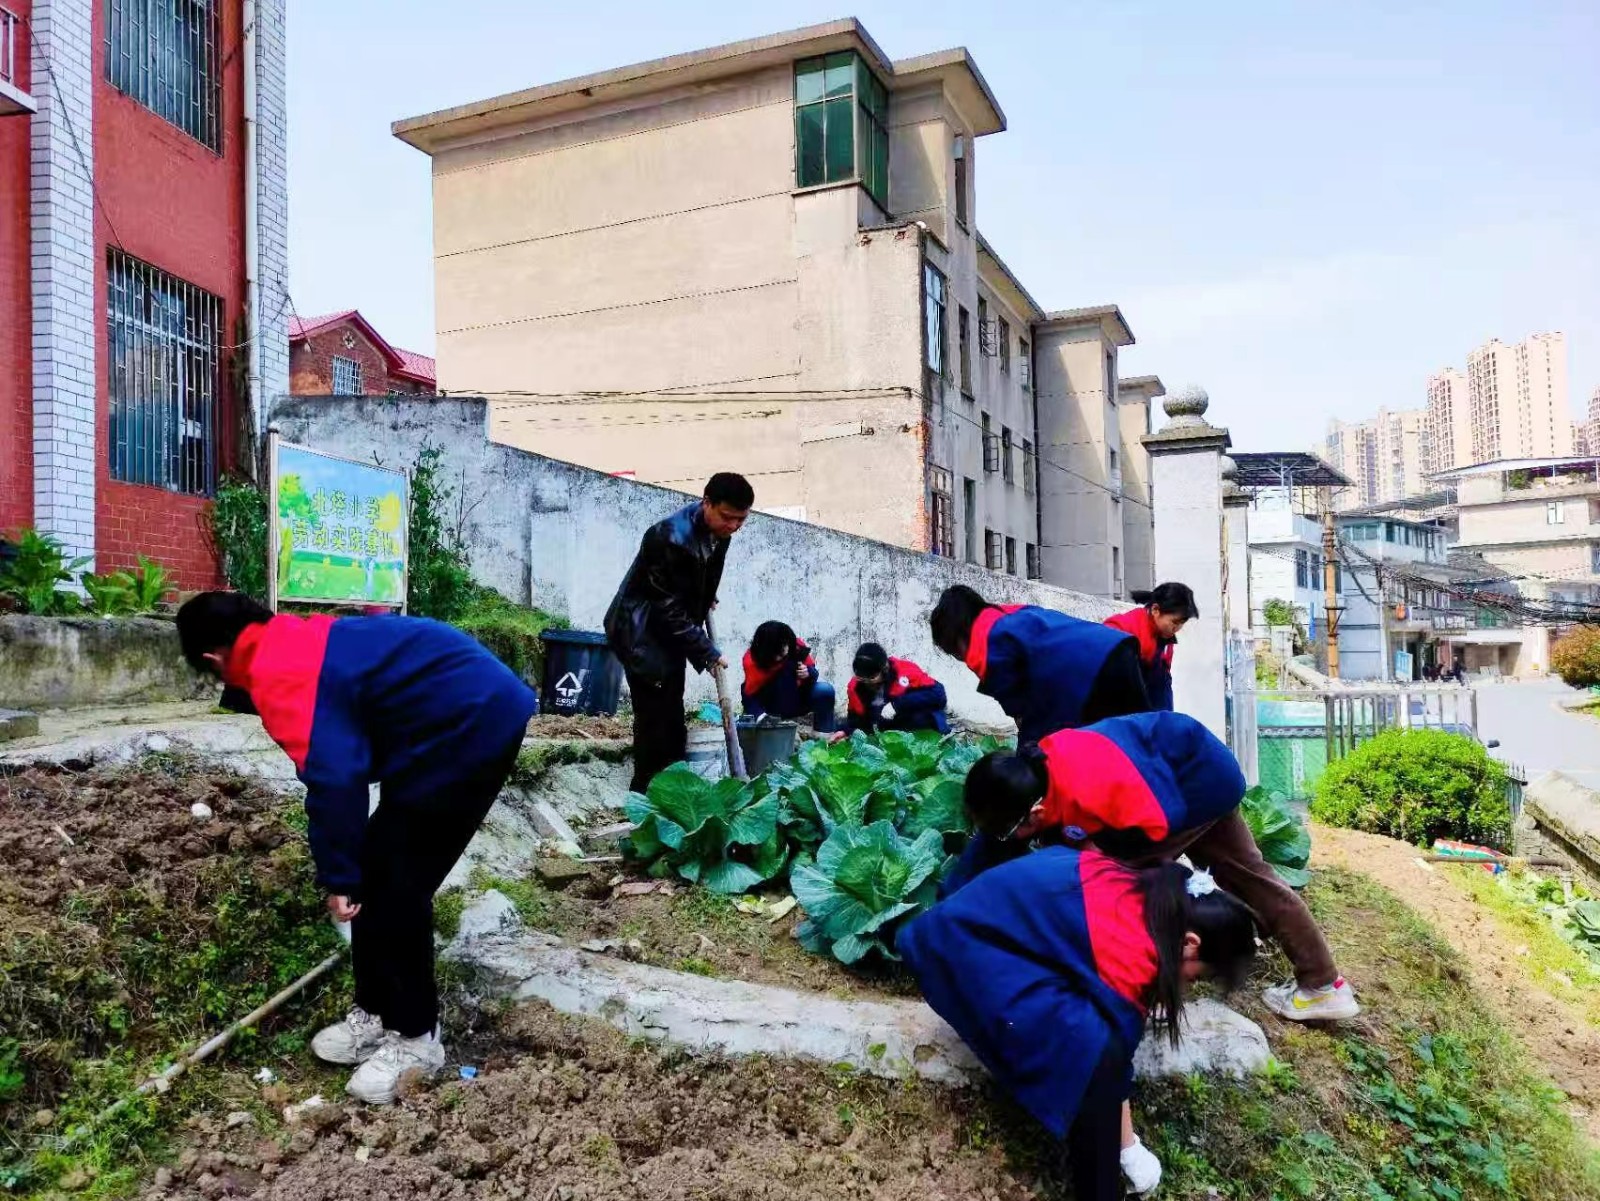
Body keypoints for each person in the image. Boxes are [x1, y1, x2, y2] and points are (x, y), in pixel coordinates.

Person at [174, 592, 537, 1104]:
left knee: (398, 883)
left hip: (472, 722)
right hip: (435, 723)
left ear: (214, 658)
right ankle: (375, 1011)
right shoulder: (283, 641)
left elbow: (335, 781)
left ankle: (416, 1038)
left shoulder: (280, 673)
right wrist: (348, 869)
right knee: (376, 869)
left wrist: (338, 875)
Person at [959, 711, 1360, 1026]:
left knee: (1129, 886)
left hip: (1189, 787)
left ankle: (1150, 991)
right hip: (1183, 764)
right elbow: (1018, 839)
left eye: (1013, 832)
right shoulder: (1032, 773)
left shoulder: (1094, 783)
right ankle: (1322, 980)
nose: (1011, 839)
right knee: (1247, 874)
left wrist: (1125, 871)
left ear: (1036, 812)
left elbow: (1155, 836)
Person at [900, 848, 1258, 1201]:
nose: (1188, 987)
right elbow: (1112, 1063)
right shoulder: (1131, 954)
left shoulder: (1146, 890)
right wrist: (1128, 1149)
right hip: (957, 949)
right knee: (1093, 1053)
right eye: (1197, 978)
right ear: (1190, 944)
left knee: (1094, 1041)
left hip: (981, 927)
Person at [605, 473, 754, 793]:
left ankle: (669, 795)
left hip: (669, 635)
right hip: (642, 633)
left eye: (741, 520)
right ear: (707, 503)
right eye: (727, 517)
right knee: (656, 724)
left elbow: (706, 573)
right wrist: (707, 652)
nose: (733, 526)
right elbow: (665, 608)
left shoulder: (720, 531)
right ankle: (645, 799)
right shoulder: (670, 537)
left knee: (672, 718)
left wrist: (704, 597)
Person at [929, 585, 1149, 743]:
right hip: (1119, 649)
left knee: (1087, 750)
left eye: (954, 652)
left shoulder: (988, 645)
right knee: (1141, 742)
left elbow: (1026, 719)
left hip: (1094, 675)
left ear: (957, 636)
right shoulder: (1010, 615)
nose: (961, 659)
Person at [1104, 582, 1198, 711]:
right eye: (1174, 622)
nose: (1177, 629)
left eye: (1182, 623)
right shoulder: (1122, 628)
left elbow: (1163, 687)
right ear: (1155, 610)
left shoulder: (1166, 640)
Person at [740, 620, 837, 732]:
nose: (783, 655)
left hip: (796, 699)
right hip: (771, 706)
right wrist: (760, 715)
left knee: (825, 690)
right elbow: (749, 693)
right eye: (778, 652)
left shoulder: (796, 648)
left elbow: (813, 675)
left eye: (784, 648)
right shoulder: (752, 661)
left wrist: (808, 673)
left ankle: (825, 734)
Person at [843, 642, 949, 735]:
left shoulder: (905, 671)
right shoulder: (855, 688)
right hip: (888, 732)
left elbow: (939, 696)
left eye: (871, 677)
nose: (867, 682)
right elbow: (856, 721)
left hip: (917, 723)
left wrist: (897, 704)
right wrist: (844, 731)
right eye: (862, 678)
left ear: (884, 669)